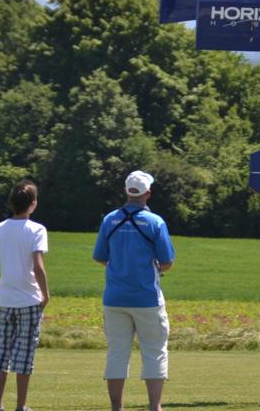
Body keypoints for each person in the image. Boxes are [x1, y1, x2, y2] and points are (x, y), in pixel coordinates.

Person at [93, 170, 176, 411]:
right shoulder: (155, 222)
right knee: (154, 351)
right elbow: (167, 261)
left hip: (114, 297)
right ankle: (154, 406)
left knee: (117, 352)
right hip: (147, 298)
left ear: (126, 191)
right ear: (148, 193)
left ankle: (116, 407)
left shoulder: (110, 220)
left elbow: (99, 256)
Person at [0, 179, 49, 411]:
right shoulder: (37, 230)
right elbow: (38, 267)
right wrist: (46, 295)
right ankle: (21, 406)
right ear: (33, 203)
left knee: (2, 353)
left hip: (7, 301)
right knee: (24, 356)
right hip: (29, 300)